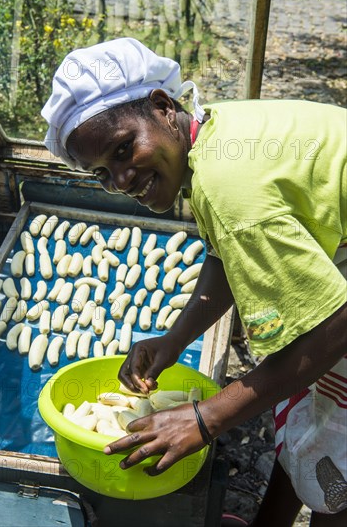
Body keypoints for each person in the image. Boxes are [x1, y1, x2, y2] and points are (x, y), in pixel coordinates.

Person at [42, 38, 347, 527]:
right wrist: (174, 341)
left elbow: (334, 327)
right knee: (313, 419)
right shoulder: (214, 135)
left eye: (124, 149)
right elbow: (226, 254)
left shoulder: (230, 187)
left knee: (339, 464)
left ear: (163, 108)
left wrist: (205, 419)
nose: (121, 180)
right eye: (103, 173)